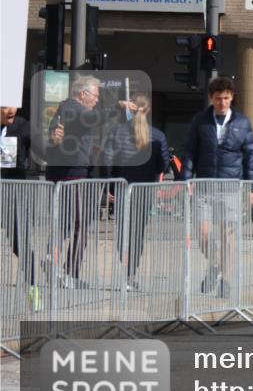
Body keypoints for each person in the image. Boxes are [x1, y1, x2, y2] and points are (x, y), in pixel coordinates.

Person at [181, 77, 253, 298]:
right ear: (211, 98)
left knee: (228, 236)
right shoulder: (200, 121)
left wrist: (252, 188)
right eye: (218, 98)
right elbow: (190, 152)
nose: (222, 102)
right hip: (205, 185)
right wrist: (186, 179)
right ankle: (215, 264)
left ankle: (226, 280)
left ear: (232, 97)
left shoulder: (242, 123)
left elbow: (250, 157)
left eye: (226, 98)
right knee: (203, 233)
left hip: (230, 186)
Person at [100, 95, 171, 290]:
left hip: (122, 188)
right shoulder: (158, 135)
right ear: (148, 111)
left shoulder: (116, 132)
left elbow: (107, 161)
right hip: (144, 190)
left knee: (123, 231)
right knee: (137, 233)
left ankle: (125, 271)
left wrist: (108, 186)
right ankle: (131, 274)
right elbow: (164, 165)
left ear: (128, 109)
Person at [47, 75, 103, 289]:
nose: (96, 100)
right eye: (95, 95)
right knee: (81, 222)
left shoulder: (64, 109)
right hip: (73, 171)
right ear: (83, 94)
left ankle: (52, 259)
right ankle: (69, 272)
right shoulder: (75, 109)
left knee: (67, 221)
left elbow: (57, 137)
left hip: (66, 169)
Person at [2, 105, 41, 310]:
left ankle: (33, 288)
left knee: (21, 243)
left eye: (13, 106)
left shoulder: (23, 126)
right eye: (4, 106)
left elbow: (43, 150)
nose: (11, 110)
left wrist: (55, 141)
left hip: (14, 195)